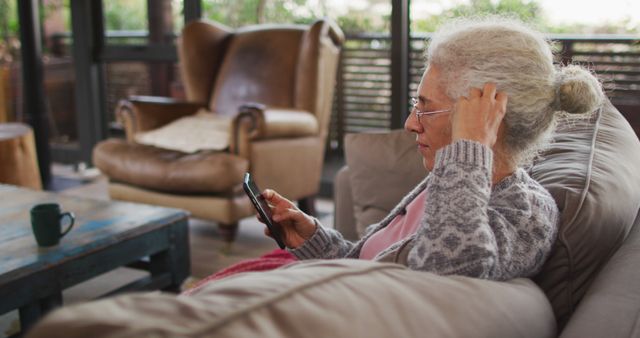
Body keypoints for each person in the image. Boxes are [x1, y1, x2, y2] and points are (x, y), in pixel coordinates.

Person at [258, 16, 604, 281]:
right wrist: (311, 238)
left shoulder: (527, 211)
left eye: (427, 106)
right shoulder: (450, 184)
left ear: (487, 118)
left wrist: (470, 148)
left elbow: (442, 272)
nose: (411, 122)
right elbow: (368, 265)